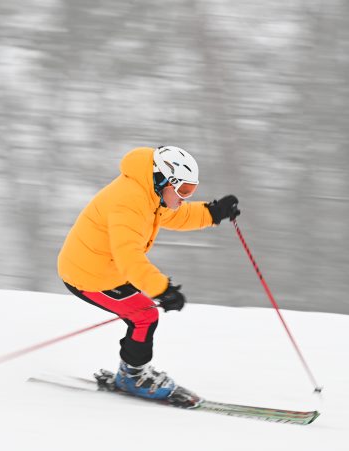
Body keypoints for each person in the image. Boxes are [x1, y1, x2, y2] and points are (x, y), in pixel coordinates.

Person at [57, 145, 240, 401]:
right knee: (144, 315)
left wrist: (212, 213)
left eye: (191, 190)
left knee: (144, 314)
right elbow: (128, 256)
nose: (185, 197)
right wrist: (162, 289)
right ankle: (132, 377)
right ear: (164, 181)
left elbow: (176, 215)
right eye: (183, 190)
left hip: (106, 268)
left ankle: (132, 372)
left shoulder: (149, 191)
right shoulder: (129, 203)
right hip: (88, 274)